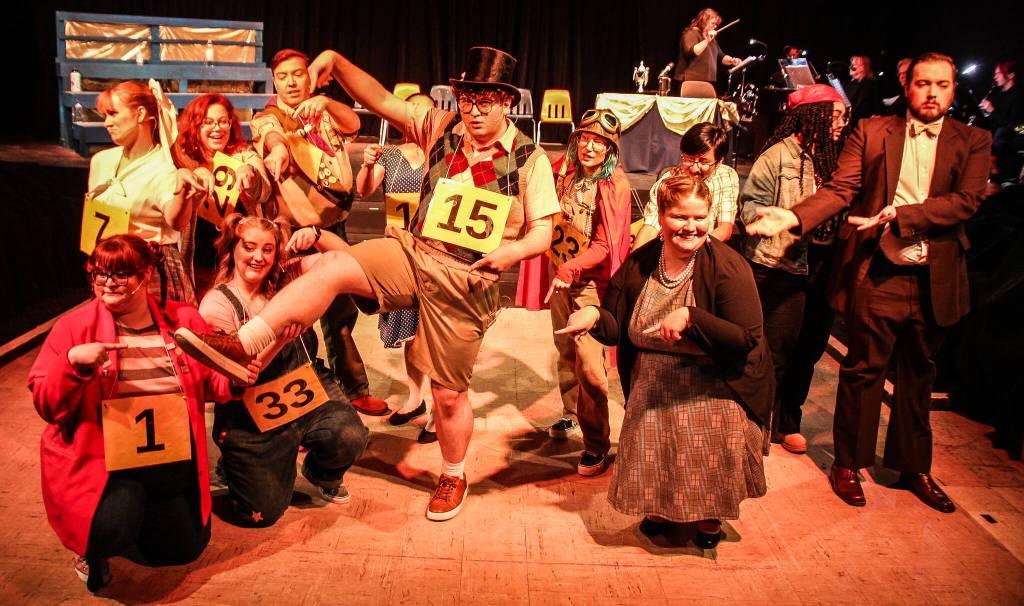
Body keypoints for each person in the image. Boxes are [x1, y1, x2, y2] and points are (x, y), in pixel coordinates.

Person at [174, 46, 559, 522]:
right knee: (331, 268)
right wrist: (334, 62)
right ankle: (244, 343)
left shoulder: (531, 158)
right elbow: (379, 100)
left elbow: (543, 231)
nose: (474, 111)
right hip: (414, 252)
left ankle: (453, 473)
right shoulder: (440, 126)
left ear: (506, 101)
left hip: (467, 278)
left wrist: (512, 252)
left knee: (448, 393)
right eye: (467, 99)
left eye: (486, 101)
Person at [745, 53, 991, 513]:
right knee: (863, 371)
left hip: (935, 274)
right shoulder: (874, 131)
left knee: (919, 373)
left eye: (942, 84)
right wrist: (795, 216)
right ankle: (848, 463)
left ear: (954, 89)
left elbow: (966, 201)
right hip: (878, 272)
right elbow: (841, 189)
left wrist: (901, 215)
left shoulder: (973, 140)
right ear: (908, 85)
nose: (932, 92)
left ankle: (913, 466)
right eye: (923, 83)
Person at [28, 234, 258, 592]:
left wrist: (236, 380)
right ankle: (95, 548)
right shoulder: (74, 328)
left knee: (184, 548)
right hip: (104, 460)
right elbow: (46, 405)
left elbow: (212, 381)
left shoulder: (182, 318)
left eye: (121, 274)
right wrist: (72, 364)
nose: (108, 283)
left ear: (147, 273)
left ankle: (140, 516)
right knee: (108, 530)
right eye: (99, 273)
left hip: (172, 453)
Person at [557, 174, 771, 549]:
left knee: (709, 431)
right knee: (651, 426)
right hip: (655, 373)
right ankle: (656, 508)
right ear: (661, 216)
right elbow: (616, 322)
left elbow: (745, 339)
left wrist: (693, 318)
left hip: (716, 378)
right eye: (680, 217)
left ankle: (709, 515)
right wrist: (592, 316)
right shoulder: (642, 262)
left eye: (699, 217)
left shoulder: (728, 267)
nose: (691, 227)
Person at [199, 214, 368, 526]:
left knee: (350, 436)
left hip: (303, 385)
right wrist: (277, 338)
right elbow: (238, 375)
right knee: (261, 513)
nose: (258, 257)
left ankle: (321, 474)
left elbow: (344, 260)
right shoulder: (217, 304)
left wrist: (316, 234)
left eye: (267, 249)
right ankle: (236, 466)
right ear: (233, 249)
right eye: (249, 247)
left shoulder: (288, 277)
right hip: (248, 404)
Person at [251, 48, 389, 417]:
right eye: (284, 76)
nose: (292, 82)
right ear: (274, 81)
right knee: (298, 322)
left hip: (333, 227)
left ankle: (354, 388)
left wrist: (325, 102)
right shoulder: (269, 117)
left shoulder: (320, 111)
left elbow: (353, 124)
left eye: (299, 74)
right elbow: (270, 137)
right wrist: (278, 153)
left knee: (341, 317)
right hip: (293, 234)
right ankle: (303, 404)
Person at [515, 108, 632, 475]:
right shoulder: (559, 172)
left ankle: (596, 443)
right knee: (565, 352)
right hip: (559, 276)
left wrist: (572, 268)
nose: (590, 147)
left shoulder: (615, 186)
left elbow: (604, 244)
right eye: (585, 138)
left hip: (590, 287)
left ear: (611, 149)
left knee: (592, 370)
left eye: (600, 142)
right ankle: (570, 413)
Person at [739, 84, 849, 454]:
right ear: (813, 116)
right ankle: (761, 423)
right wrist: (770, 222)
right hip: (782, 266)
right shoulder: (777, 157)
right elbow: (751, 204)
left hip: (824, 266)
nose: (841, 123)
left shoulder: (839, 158)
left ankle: (790, 419)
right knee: (778, 349)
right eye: (835, 116)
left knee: (811, 347)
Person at [354, 92, 438, 443]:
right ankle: (415, 398)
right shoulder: (389, 154)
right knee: (409, 329)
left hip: (435, 254)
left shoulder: (444, 156)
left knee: (434, 334)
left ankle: (438, 407)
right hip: (399, 250)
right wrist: (367, 163)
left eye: (424, 114)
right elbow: (364, 189)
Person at [88, 81, 204, 306]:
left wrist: (183, 192)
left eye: (113, 114)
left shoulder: (163, 169)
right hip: (107, 270)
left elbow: (176, 220)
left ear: (140, 114)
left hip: (147, 274)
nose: (107, 123)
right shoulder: (102, 161)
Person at [171, 93, 274, 290]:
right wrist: (193, 173)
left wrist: (250, 175)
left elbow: (264, 192)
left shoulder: (244, 153)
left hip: (238, 263)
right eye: (208, 122)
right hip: (197, 262)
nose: (217, 128)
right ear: (195, 126)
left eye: (223, 122)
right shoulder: (180, 157)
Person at [633, 122, 738, 250]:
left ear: (719, 161)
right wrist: (634, 262)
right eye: (688, 159)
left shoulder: (726, 176)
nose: (694, 169)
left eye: (703, 162)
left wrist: (694, 249)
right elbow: (651, 226)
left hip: (707, 248)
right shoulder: (668, 181)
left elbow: (725, 229)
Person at [674, 7, 742, 94]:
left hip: (706, 82)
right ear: (703, 21)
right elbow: (691, 52)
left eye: (716, 25)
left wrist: (732, 60)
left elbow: (721, 56)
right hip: (689, 81)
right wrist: (706, 41)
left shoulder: (711, 39)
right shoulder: (691, 33)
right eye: (713, 23)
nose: (715, 26)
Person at [979, 60, 1024, 184]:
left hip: (1021, 128)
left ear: (1010, 75)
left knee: (1003, 131)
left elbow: (1010, 123)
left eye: (998, 74)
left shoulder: (1018, 95)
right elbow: (996, 119)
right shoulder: (997, 94)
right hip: (1005, 128)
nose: (995, 77)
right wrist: (984, 113)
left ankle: (994, 166)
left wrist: (991, 110)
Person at [846, 55, 882, 127]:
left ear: (862, 67)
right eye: (851, 65)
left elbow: (861, 109)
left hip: (860, 125)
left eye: (853, 65)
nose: (850, 67)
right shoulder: (851, 84)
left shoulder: (868, 84)